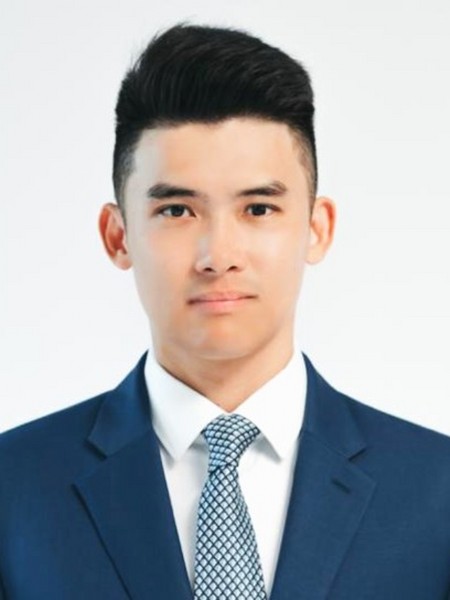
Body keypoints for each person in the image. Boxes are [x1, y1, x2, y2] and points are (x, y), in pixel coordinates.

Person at [0, 22, 449, 600]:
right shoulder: (14, 488)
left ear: (317, 228)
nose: (219, 256)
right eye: (177, 211)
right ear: (118, 235)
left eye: (258, 209)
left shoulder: (436, 490)